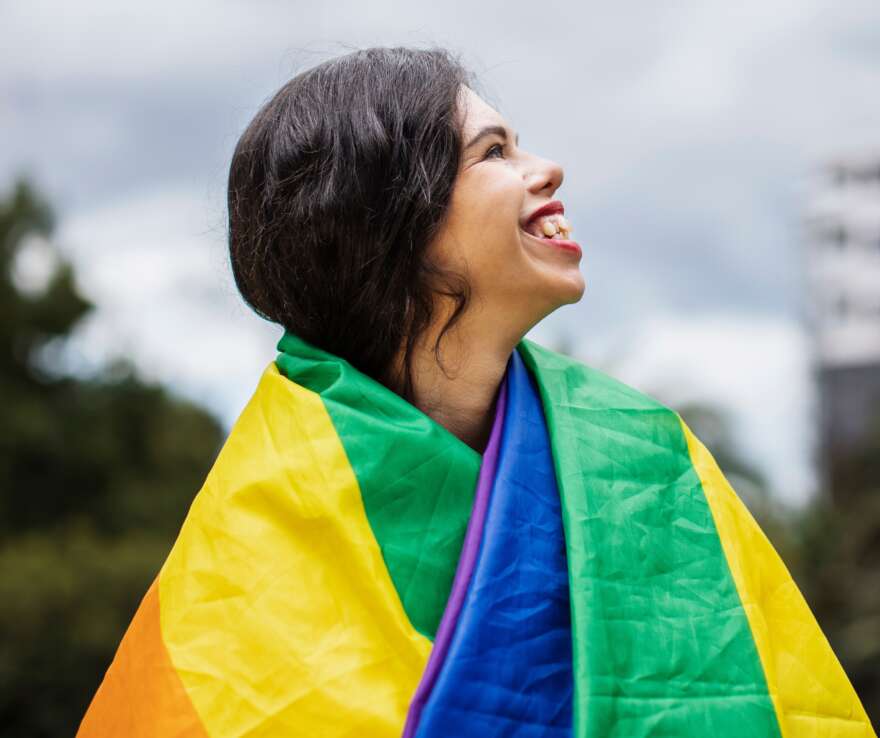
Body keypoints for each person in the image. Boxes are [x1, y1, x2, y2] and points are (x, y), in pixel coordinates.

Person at [77, 47, 875, 738]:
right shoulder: (254, 536)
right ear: (391, 218)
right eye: (494, 152)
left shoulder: (647, 454)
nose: (546, 169)